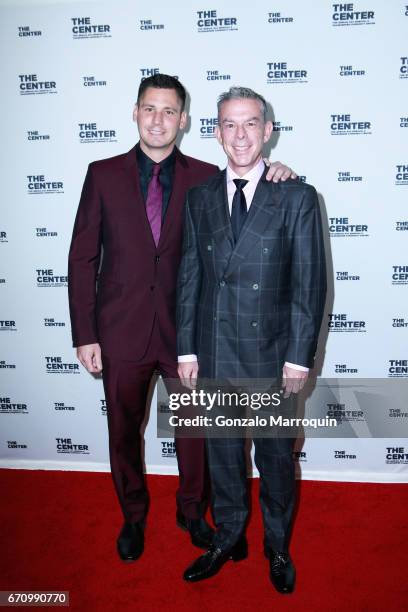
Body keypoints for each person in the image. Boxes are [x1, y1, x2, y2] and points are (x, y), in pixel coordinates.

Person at [68, 74, 296, 563]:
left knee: (198, 434)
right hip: (119, 331)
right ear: (135, 113)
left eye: (169, 111)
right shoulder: (101, 173)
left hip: (189, 335)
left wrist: (280, 171)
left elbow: (249, 185)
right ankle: (133, 515)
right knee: (123, 432)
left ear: (186, 121)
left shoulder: (204, 176)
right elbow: (82, 257)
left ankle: (194, 512)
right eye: (150, 109)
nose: (158, 119)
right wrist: (84, 333)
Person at [177, 87, 326, 592]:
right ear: (216, 132)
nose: (239, 135)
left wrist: (298, 358)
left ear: (267, 130)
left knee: (276, 460)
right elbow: (190, 276)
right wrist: (186, 347)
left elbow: (310, 283)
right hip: (215, 351)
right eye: (228, 125)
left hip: (271, 358)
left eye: (250, 124)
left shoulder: (297, 196)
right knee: (222, 454)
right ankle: (228, 536)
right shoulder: (199, 197)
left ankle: (278, 546)